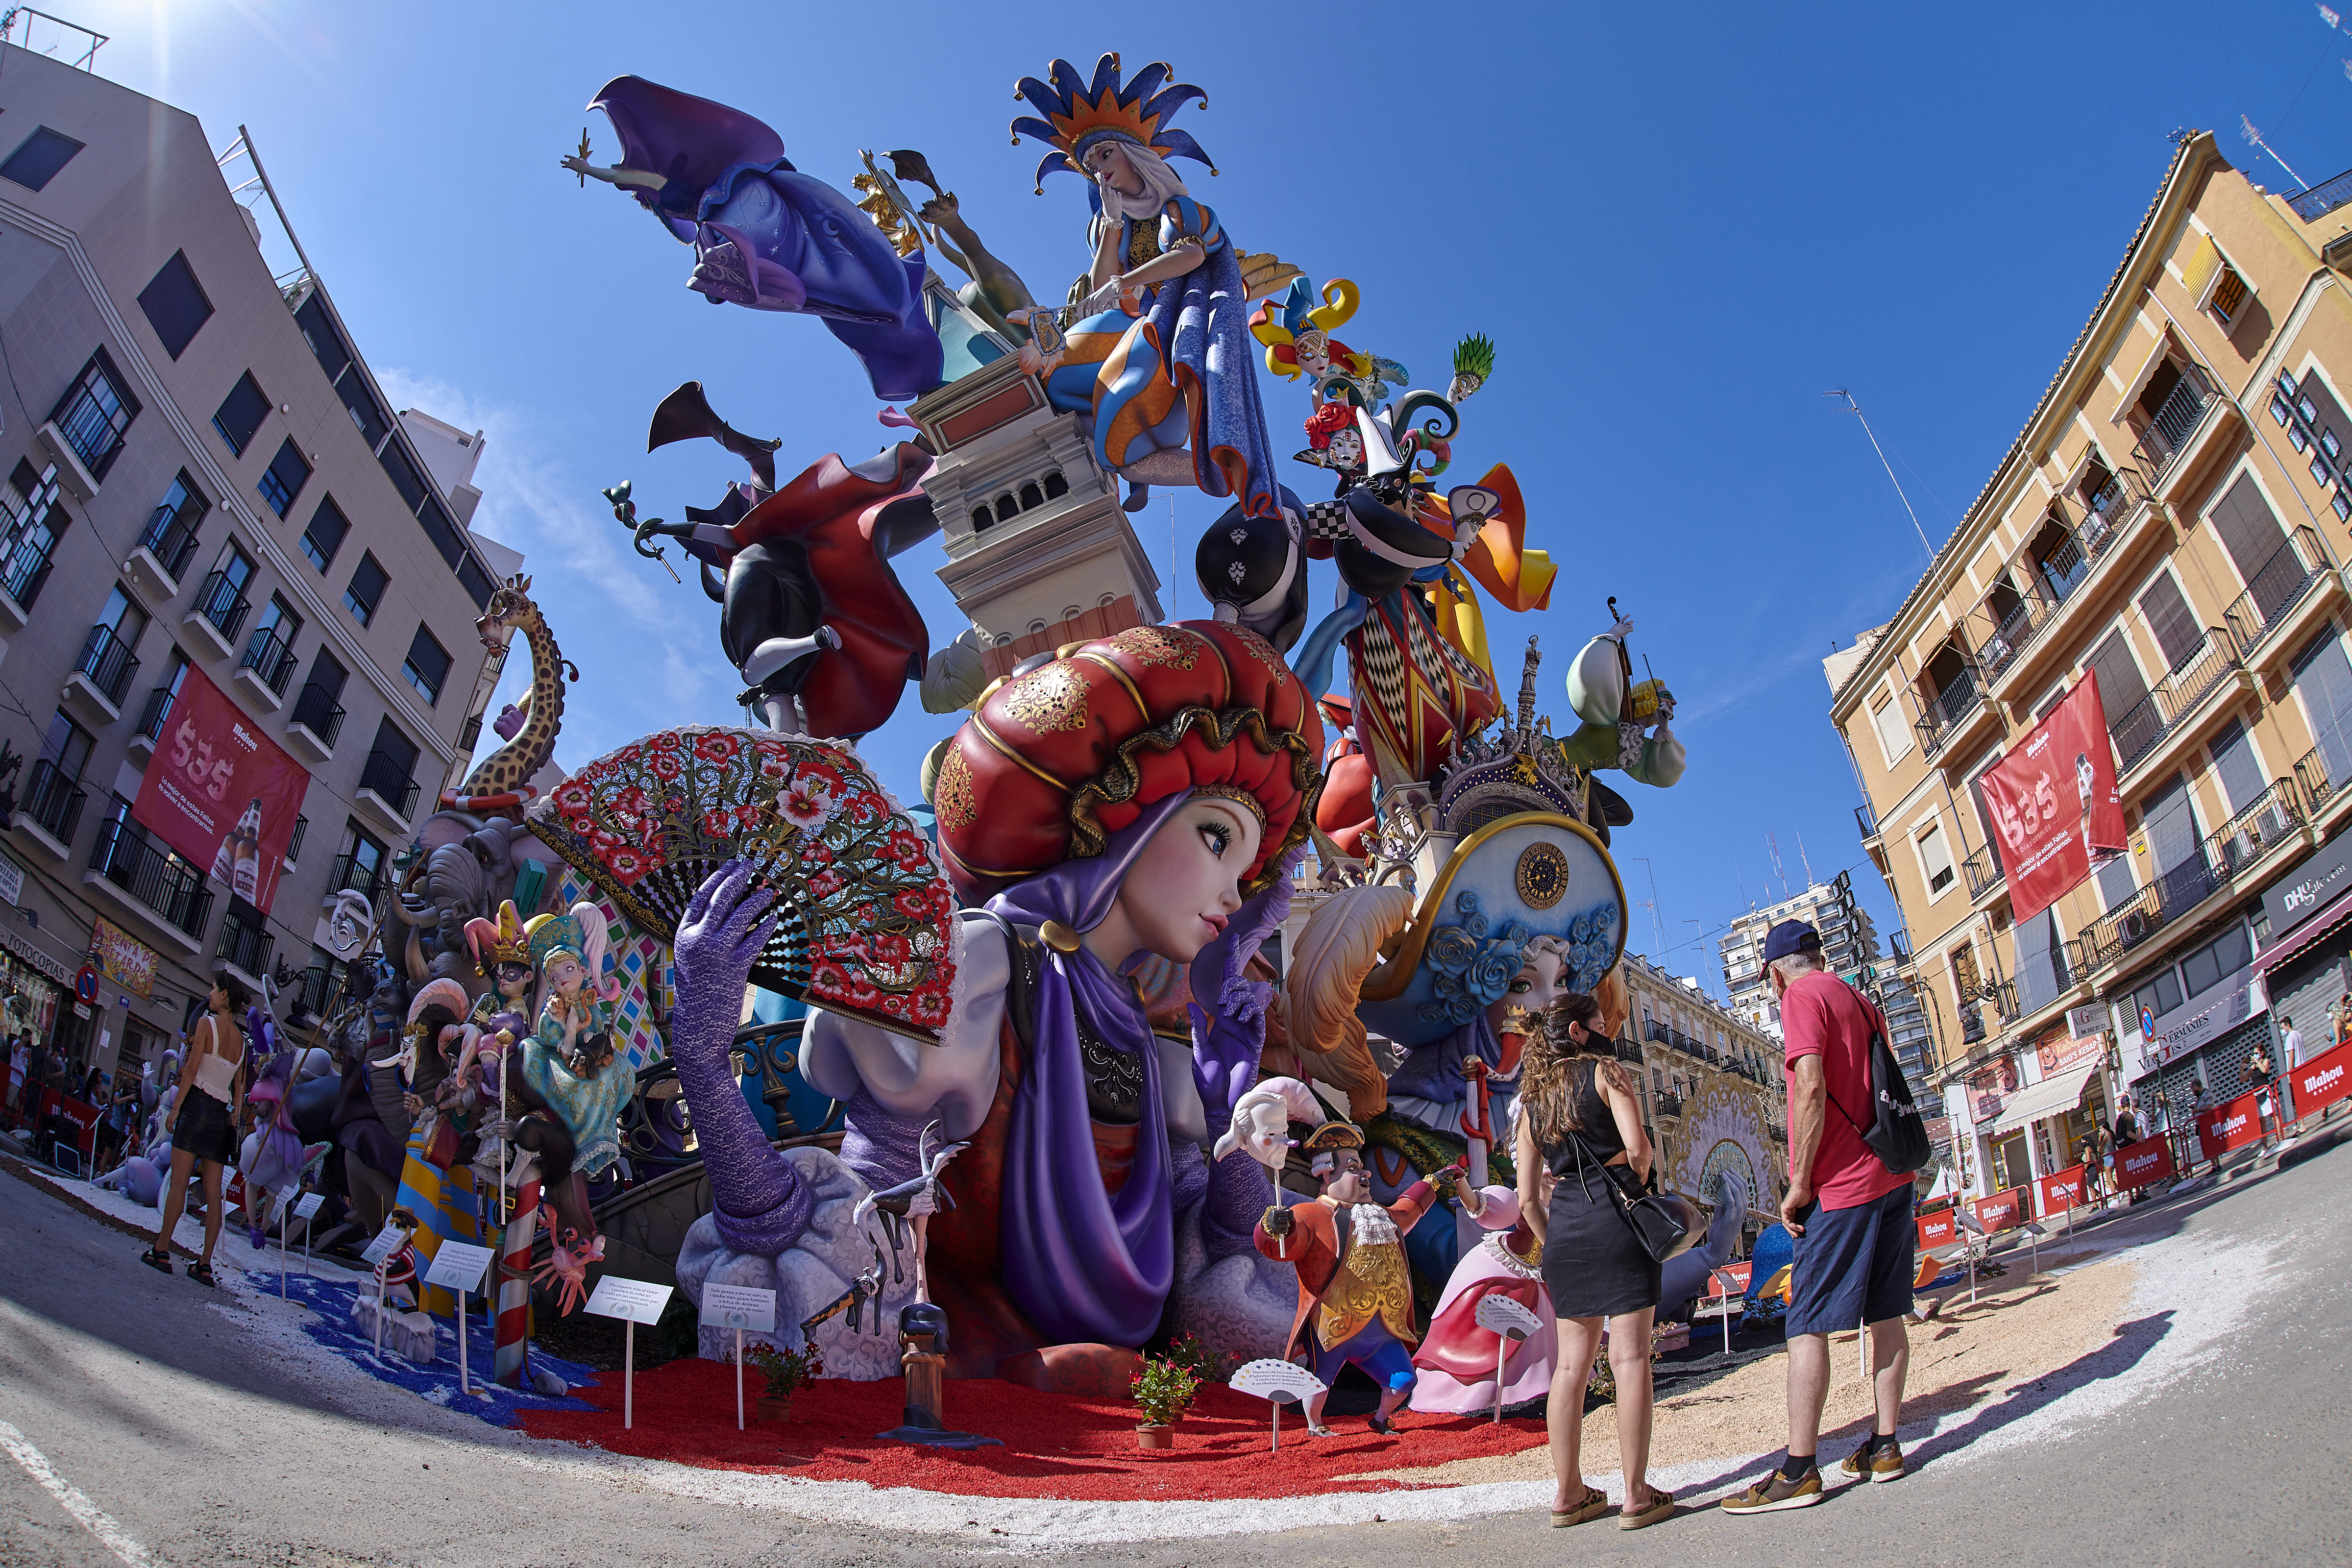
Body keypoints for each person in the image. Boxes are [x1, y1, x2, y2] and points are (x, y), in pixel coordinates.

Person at [1724, 921, 1912, 1514]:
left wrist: (1800, 1181)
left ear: (1777, 970)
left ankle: (1800, 1468)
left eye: (1768, 979)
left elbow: (1809, 1084)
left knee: (1805, 1321)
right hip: (1893, 1172)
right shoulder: (1858, 996)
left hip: (1843, 1184)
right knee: (1887, 1311)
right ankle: (1885, 1445)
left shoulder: (1802, 998)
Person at [1518, 991, 1673, 1531]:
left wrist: (1555, 1237)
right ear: (1579, 1031)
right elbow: (1640, 1149)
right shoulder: (1606, 1070)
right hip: (1618, 1219)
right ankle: (1635, 1494)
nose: (1608, 1030)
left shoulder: (1534, 1100)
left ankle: (1569, 1492)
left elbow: (1526, 1200)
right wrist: (1639, 1189)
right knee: (1630, 1359)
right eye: (1601, 1023)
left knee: (1570, 1366)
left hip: (1566, 1231)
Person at [1253, 1123, 1460, 1436]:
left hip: (1381, 1330)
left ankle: (1380, 1420)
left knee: (1404, 1379)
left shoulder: (1380, 1216)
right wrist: (1271, 1227)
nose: (1366, 1175)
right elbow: (1284, 1247)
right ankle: (1315, 1425)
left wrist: (1431, 1184)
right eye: (1353, 1168)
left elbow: (1408, 1210)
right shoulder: (1312, 1215)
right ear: (1327, 1174)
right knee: (1320, 1380)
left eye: (1362, 1167)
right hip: (1331, 1328)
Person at [141, 974, 249, 1285]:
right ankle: (204, 1264)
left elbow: (190, 1069)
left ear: (225, 995)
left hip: (196, 1106)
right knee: (214, 1193)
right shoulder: (242, 1041)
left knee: (179, 1183)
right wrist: (235, 1117)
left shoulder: (206, 1024)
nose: (210, 994)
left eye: (214, 989)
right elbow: (240, 1086)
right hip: (220, 1115)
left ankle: (162, 1249)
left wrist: (175, 1109)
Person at [2244, 1045, 2282, 1153]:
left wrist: (2258, 1062)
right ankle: (2265, 1146)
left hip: (2266, 1092)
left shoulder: (2265, 1061)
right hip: (2257, 1095)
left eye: (2257, 1053)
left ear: (2262, 1053)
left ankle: (2280, 1139)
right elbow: (2243, 1079)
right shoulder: (2253, 1068)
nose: (2255, 1055)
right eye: (2254, 1053)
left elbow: (2265, 1071)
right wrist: (2242, 1067)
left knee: (2274, 1117)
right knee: (2262, 1121)